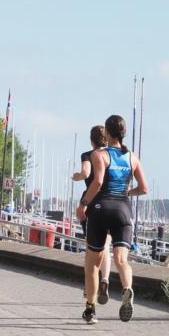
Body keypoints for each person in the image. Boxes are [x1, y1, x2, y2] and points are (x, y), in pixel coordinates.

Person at [76, 114, 149, 325]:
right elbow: (144, 188)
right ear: (123, 132)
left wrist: (83, 204)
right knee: (121, 259)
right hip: (123, 210)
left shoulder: (100, 154)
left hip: (100, 209)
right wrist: (127, 194)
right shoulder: (132, 157)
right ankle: (127, 289)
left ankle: (90, 310)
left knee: (92, 263)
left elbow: (97, 182)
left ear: (107, 133)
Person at [72, 125, 112, 303]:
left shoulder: (88, 155)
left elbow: (86, 173)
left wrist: (78, 177)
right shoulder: (114, 155)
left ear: (91, 139)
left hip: (92, 202)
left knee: (91, 249)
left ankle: (89, 288)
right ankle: (105, 280)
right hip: (113, 202)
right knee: (106, 248)